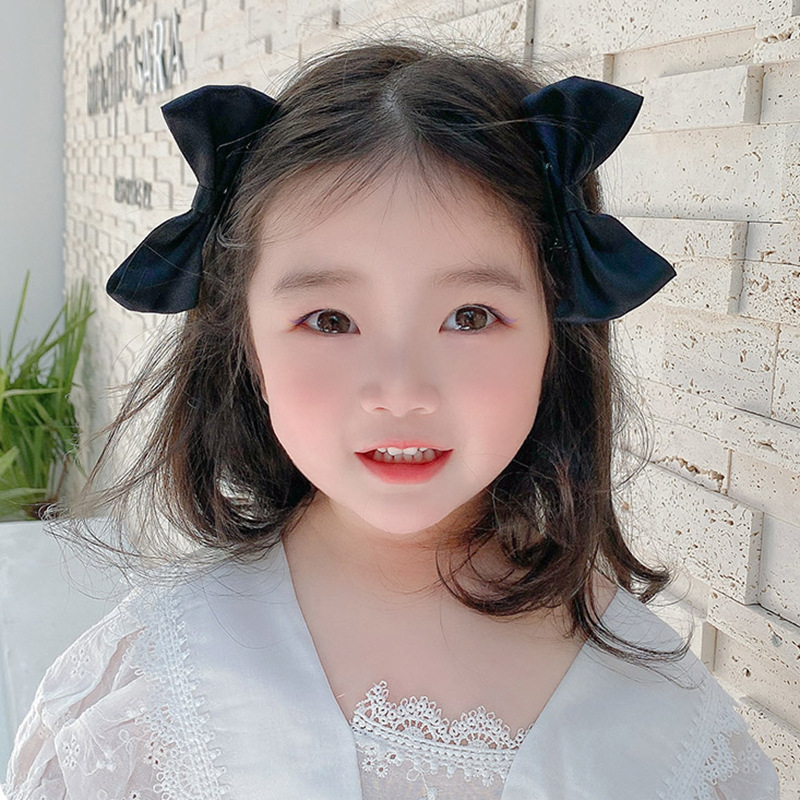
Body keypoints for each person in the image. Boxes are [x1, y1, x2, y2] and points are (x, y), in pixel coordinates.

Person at [2, 38, 781, 800]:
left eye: (470, 316)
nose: (401, 392)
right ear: (247, 344)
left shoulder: (669, 722)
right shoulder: (136, 697)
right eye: (330, 320)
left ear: (555, 338)